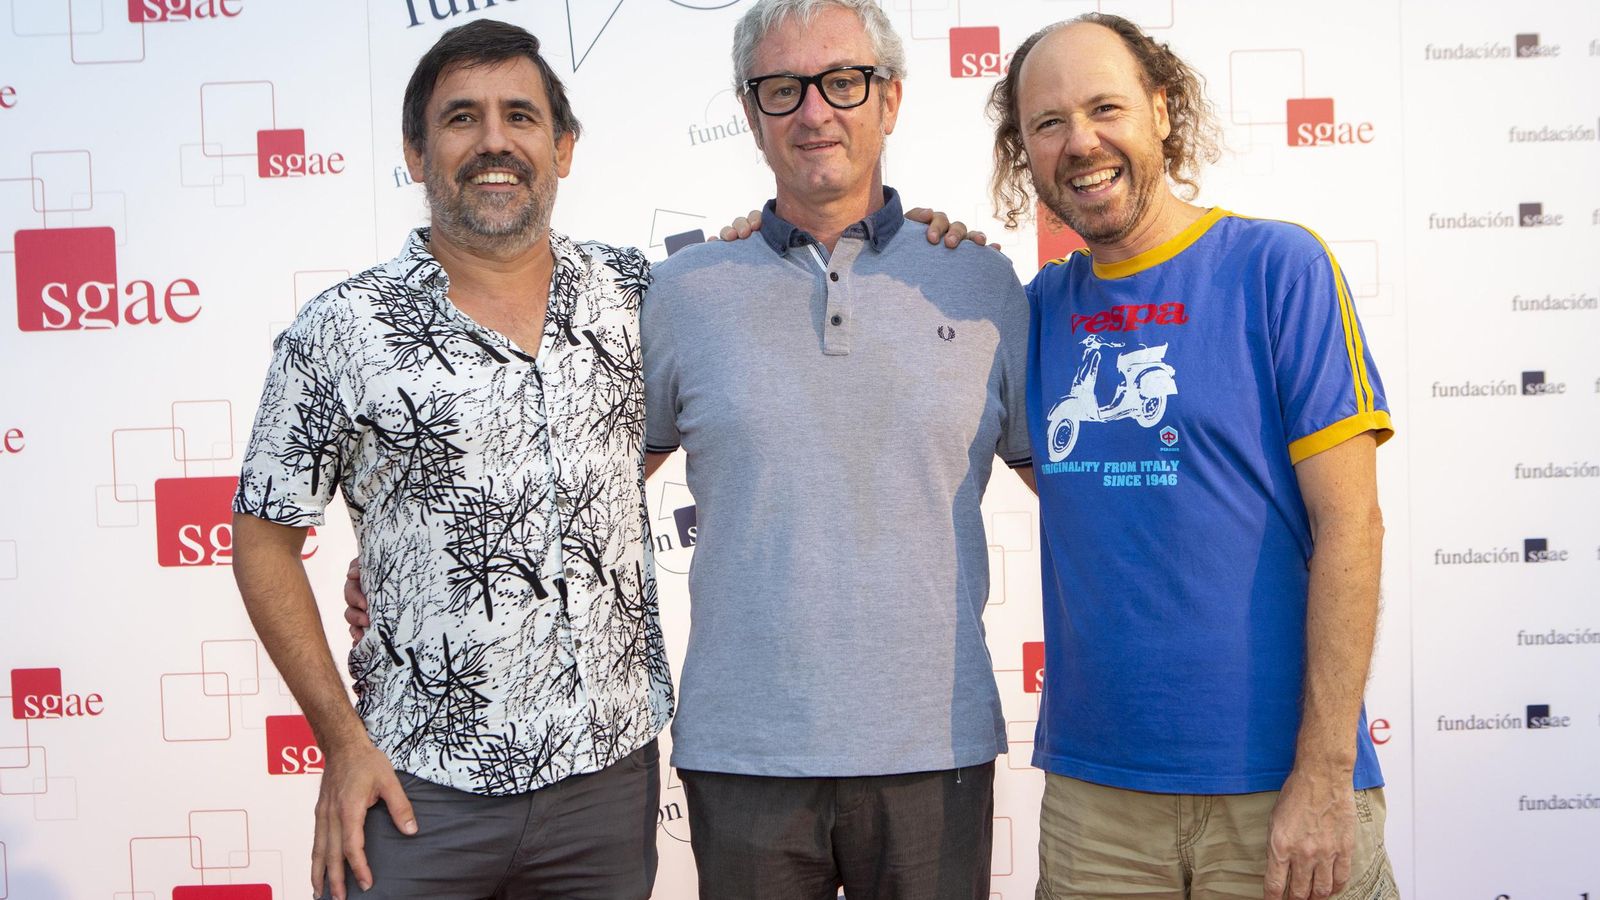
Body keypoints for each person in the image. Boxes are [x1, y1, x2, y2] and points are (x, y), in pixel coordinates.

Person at [230, 20, 673, 899]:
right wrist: (341, 740)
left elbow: (631, 443)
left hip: (608, 784)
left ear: (565, 146)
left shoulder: (645, 297)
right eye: (462, 119)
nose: (495, 141)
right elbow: (263, 538)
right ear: (415, 150)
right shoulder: (342, 330)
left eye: (521, 115)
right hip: (414, 787)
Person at [987, 14, 1398, 900]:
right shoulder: (1032, 313)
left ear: (1163, 111)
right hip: (1095, 804)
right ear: (1023, 151)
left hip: (1278, 788)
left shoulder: (1277, 267)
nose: (1080, 142)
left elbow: (1352, 528)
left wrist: (1324, 775)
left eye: (1106, 107)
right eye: (1048, 123)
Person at [641, 1, 1032, 896]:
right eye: (783, 89)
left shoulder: (982, 281)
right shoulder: (683, 293)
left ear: (890, 100)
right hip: (743, 753)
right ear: (751, 114)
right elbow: (589, 480)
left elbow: (1090, 492)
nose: (815, 112)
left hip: (937, 750)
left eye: (844, 82)